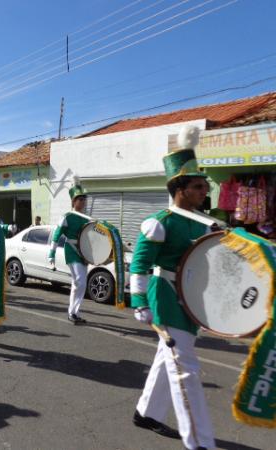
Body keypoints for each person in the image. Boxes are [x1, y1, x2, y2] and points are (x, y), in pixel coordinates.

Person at [130, 125, 215, 450]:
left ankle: (146, 411)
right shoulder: (160, 221)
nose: (204, 191)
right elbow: (139, 263)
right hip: (165, 297)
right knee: (186, 370)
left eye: (205, 186)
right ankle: (200, 442)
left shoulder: (201, 221)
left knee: (169, 359)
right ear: (179, 188)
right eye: (198, 186)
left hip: (189, 300)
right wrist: (139, 300)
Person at [48, 176, 89, 324]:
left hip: (84, 253)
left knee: (81, 282)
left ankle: (75, 312)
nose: (83, 202)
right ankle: (72, 312)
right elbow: (57, 234)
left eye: (84, 199)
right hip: (71, 251)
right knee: (79, 281)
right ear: (73, 201)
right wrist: (51, 254)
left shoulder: (86, 218)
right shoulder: (67, 216)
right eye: (80, 199)